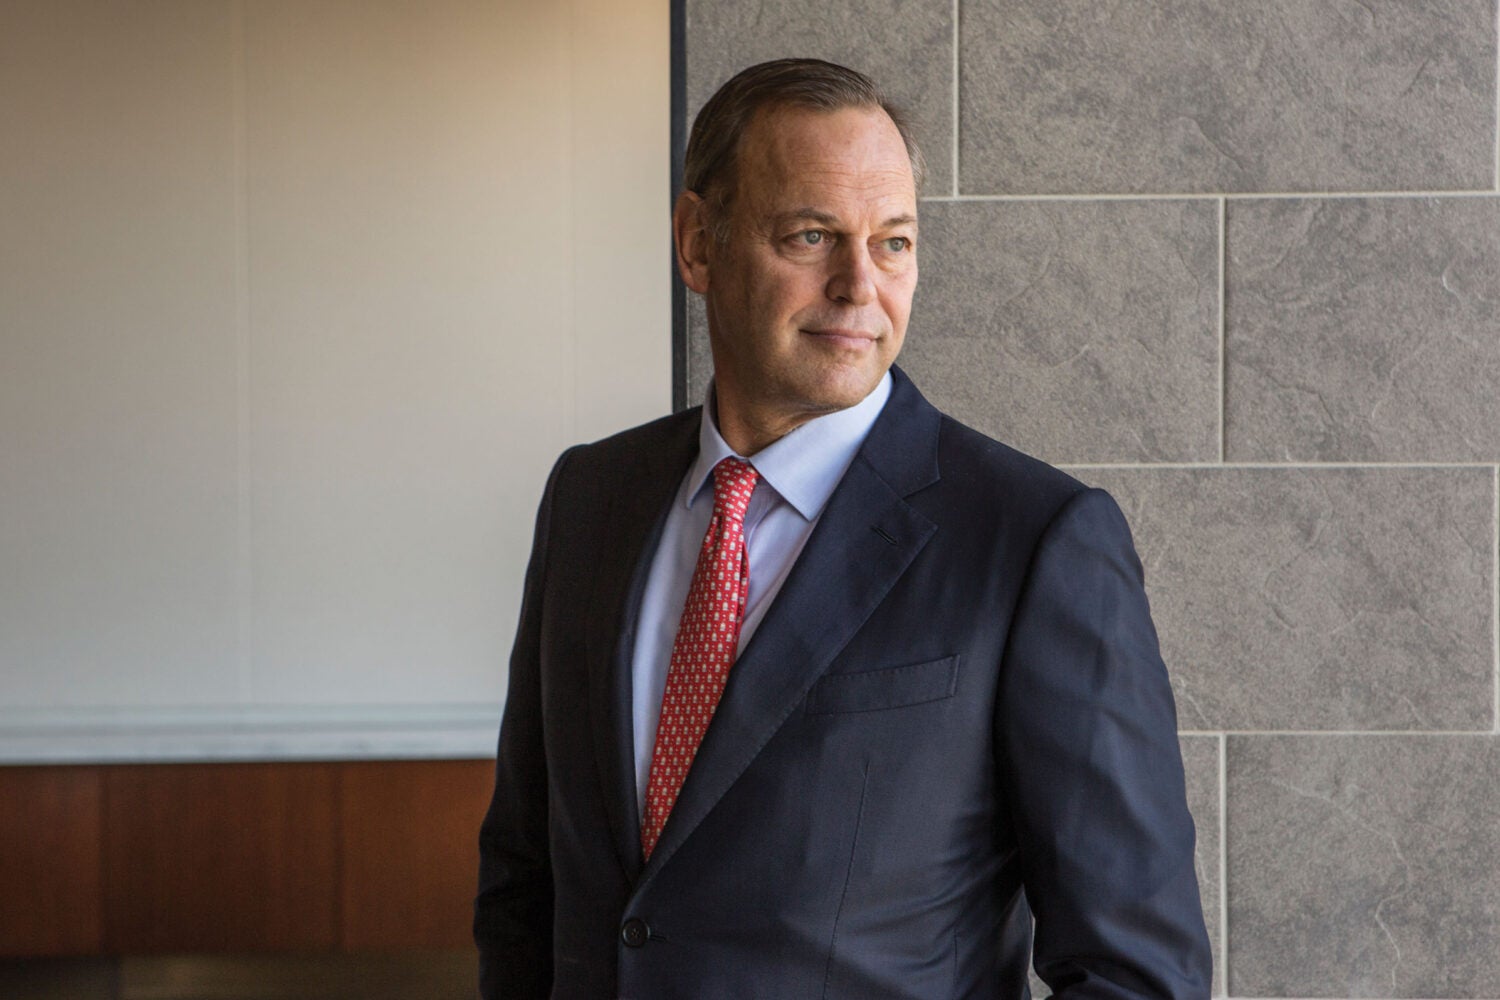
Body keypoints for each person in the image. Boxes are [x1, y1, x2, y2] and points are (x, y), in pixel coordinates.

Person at [476, 58, 1211, 999]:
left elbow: (1137, 973)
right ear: (699, 244)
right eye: (812, 235)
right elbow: (524, 886)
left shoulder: (1035, 541)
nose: (860, 286)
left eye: (894, 243)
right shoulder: (589, 499)